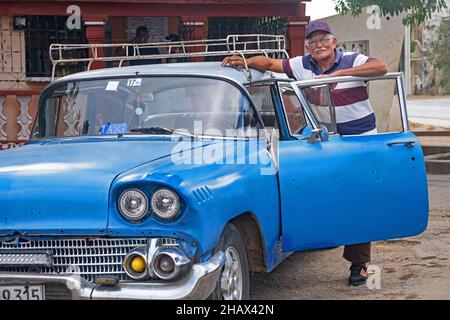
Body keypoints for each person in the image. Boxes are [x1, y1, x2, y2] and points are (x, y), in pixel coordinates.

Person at [222, 20, 388, 287]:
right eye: (313, 41)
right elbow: (270, 64)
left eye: (324, 39)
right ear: (307, 47)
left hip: (362, 142)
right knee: (319, 193)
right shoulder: (302, 65)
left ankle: (359, 265)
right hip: (326, 142)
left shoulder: (352, 59)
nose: (319, 45)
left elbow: (382, 68)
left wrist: (334, 77)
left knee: (359, 201)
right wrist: (243, 60)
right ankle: (317, 240)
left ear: (334, 42)